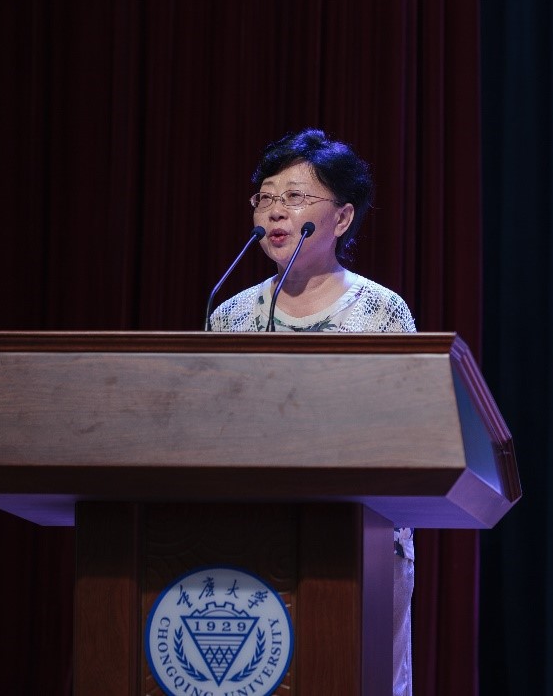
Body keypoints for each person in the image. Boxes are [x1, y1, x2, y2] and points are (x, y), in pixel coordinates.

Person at [208, 128, 417, 696]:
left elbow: (404, 433)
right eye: (266, 197)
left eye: (296, 197)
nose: (276, 211)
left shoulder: (381, 313)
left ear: (342, 218)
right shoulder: (229, 316)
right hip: (251, 537)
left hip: (362, 538)